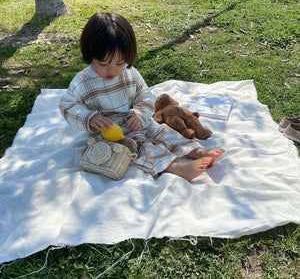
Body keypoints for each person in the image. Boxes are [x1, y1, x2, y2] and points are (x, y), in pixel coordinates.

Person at [59, 12, 225, 182]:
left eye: (119, 63)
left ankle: (197, 152)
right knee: (140, 149)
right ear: (90, 55)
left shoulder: (129, 73)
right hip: (111, 134)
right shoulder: (83, 81)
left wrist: (139, 112)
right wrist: (90, 117)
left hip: (137, 121)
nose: (113, 71)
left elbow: (144, 94)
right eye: (103, 64)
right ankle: (177, 168)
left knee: (165, 132)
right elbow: (67, 106)